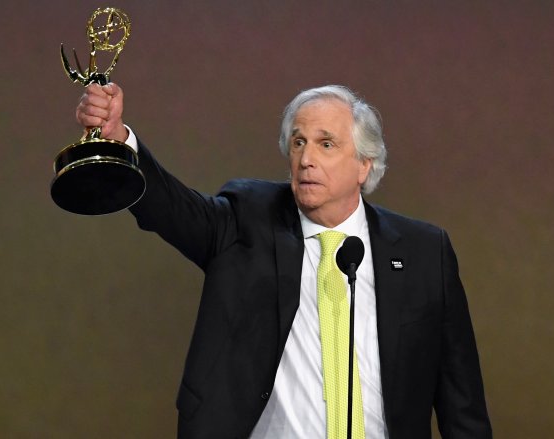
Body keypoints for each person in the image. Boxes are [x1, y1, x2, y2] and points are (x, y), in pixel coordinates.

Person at [75, 83, 492, 438]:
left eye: (326, 144)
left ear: (365, 164)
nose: (306, 158)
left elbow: (462, 402)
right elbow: (171, 207)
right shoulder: (246, 220)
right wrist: (118, 140)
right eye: (298, 142)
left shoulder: (423, 251)